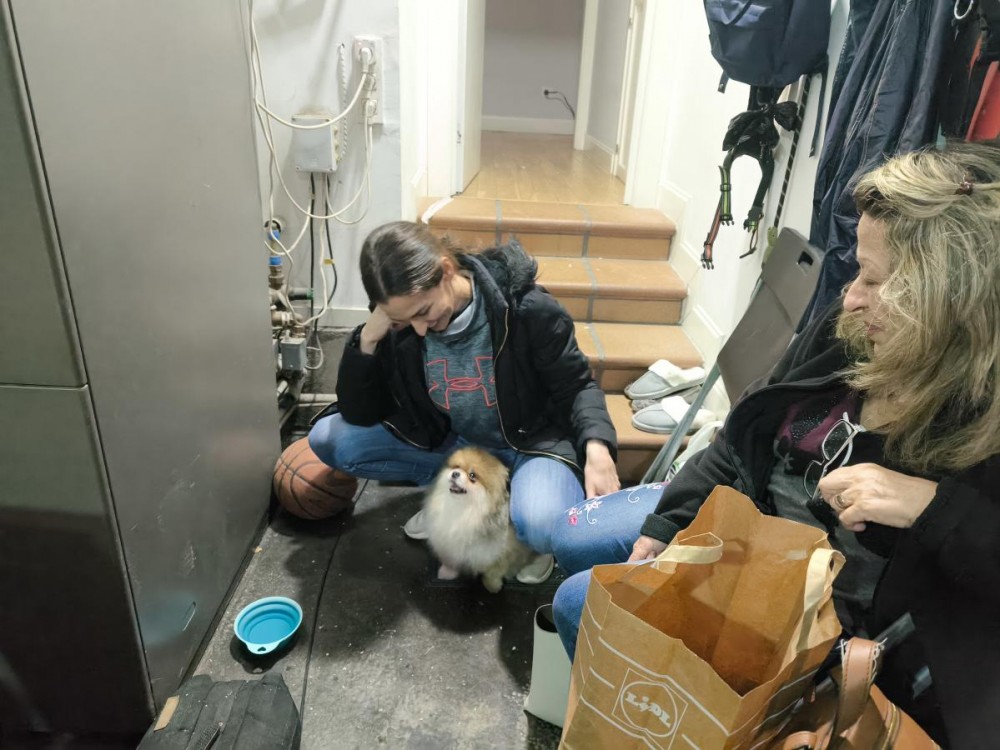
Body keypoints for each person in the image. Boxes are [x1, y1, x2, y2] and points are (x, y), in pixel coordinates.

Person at [549, 140, 1000, 748]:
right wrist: (667, 524)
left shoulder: (981, 431)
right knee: (572, 540)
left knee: (580, 601)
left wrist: (933, 509)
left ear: (952, 301)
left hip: (823, 624)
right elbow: (743, 434)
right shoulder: (851, 333)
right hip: (749, 529)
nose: (851, 296)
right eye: (857, 271)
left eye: (875, 279)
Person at [309, 220, 621, 584]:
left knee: (543, 525)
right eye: (402, 318)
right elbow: (359, 412)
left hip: (530, 444)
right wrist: (367, 341)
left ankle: (508, 511)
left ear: (446, 270)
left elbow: (577, 384)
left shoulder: (526, 309)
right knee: (330, 438)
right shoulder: (403, 323)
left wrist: (597, 447)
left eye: (423, 311)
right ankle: (465, 502)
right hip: (457, 443)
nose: (420, 328)